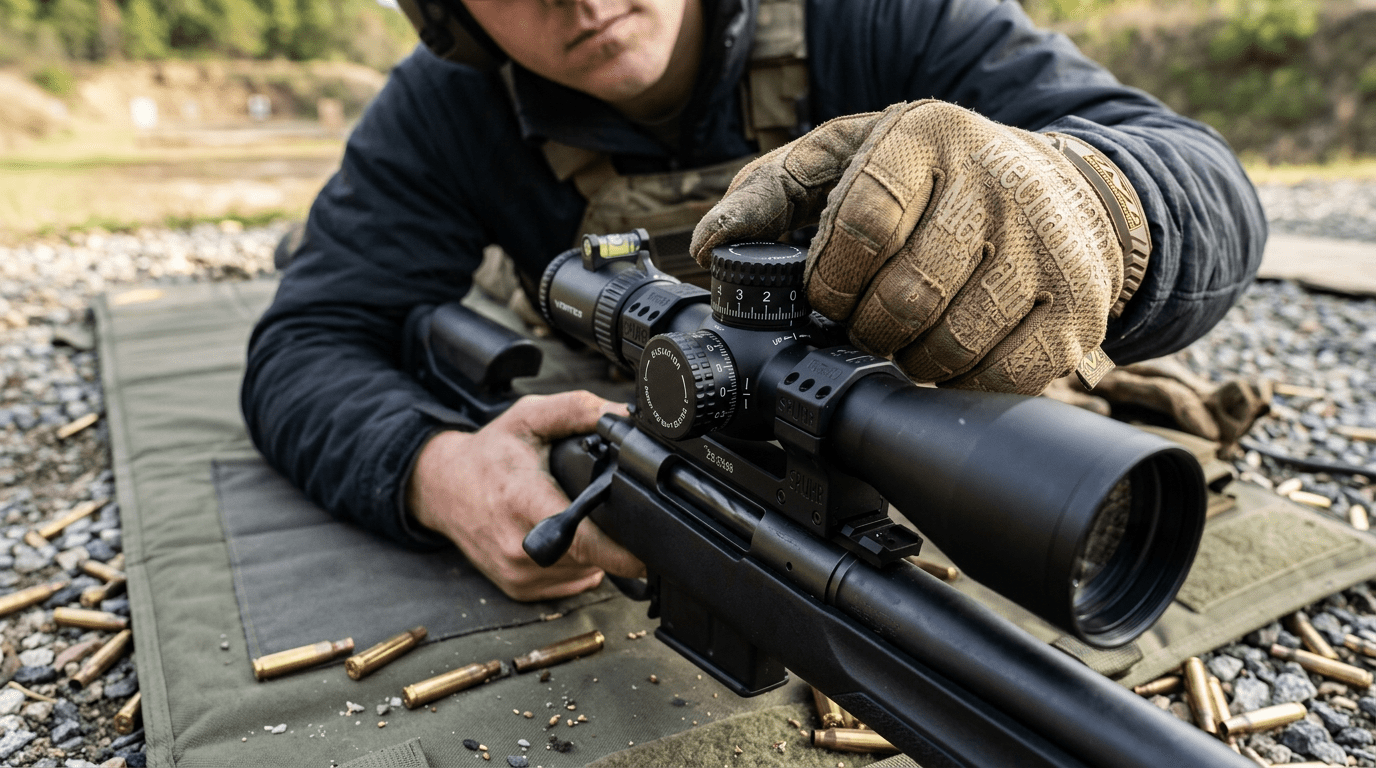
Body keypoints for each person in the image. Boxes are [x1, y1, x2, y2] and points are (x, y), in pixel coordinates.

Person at [241, 0, 1267, 602]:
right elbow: (311, 338)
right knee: (453, 301)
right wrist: (436, 469)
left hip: (894, 431)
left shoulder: (878, 14)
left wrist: (1093, 205)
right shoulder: (441, 109)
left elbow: (1197, 176)